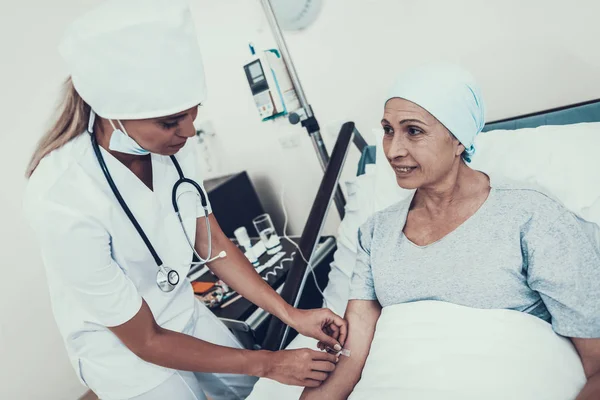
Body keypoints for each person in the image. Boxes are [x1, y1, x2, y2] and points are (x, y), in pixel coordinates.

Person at [23, 1, 346, 399]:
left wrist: (291, 315)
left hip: (182, 312)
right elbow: (146, 341)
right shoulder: (62, 196)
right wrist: (270, 361)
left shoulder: (172, 149)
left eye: (192, 114)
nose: (189, 132)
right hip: (124, 350)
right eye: (171, 122)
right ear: (113, 114)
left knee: (249, 389)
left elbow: (212, 243)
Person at [300, 63, 600, 400]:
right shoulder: (376, 232)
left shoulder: (531, 217)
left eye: (413, 131)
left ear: (458, 139)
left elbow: (598, 363)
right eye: (388, 130)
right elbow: (349, 361)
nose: (393, 149)